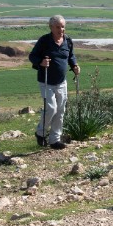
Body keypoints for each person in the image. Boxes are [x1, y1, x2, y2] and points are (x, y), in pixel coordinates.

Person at [29, 15, 80, 149]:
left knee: (60, 111)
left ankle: (54, 140)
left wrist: (74, 65)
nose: (61, 29)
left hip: (61, 82)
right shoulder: (44, 41)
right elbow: (32, 56)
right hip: (46, 81)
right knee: (51, 108)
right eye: (57, 27)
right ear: (51, 27)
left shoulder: (67, 40)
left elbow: (71, 55)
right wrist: (41, 62)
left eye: (62, 26)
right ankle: (40, 133)